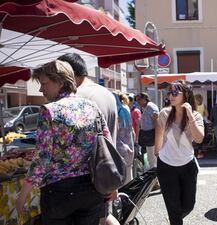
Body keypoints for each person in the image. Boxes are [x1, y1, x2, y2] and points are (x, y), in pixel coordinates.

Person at [16, 60, 113, 225]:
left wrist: (22, 196)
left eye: (44, 83)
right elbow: (108, 146)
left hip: (58, 193)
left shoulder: (49, 111)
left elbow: (42, 158)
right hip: (91, 188)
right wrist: (113, 185)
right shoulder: (92, 107)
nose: (41, 89)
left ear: (60, 82)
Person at [57, 53, 119, 225]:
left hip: (86, 178)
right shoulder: (108, 94)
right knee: (106, 217)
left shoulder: (77, 97)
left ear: (67, 73)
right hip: (105, 172)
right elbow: (112, 136)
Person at [154, 80, 204, 225]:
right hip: (166, 166)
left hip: (187, 165)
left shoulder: (195, 116)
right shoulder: (164, 113)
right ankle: (174, 219)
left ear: (186, 95)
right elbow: (158, 135)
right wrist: (157, 154)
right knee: (173, 207)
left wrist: (189, 114)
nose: (171, 95)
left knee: (189, 204)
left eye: (175, 92)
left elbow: (199, 138)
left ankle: (175, 218)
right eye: (170, 92)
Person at [137, 92, 159, 170]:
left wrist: (157, 139)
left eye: (139, 99)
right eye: (137, 100)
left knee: (152, 160)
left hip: (152, 136)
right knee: (151, 159)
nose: (138, 102)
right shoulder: (145, 107)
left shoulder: (150, 107)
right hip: (148, 136)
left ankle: (155, 179)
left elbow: (157, 123)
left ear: (145, 99)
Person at [194, 94, 209, 159]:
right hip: (202, 122)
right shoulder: (204, 106)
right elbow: (207, 114)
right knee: (201, 137)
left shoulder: (194, 106)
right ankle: (199, 152)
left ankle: (196, 152)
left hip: (195, 122)